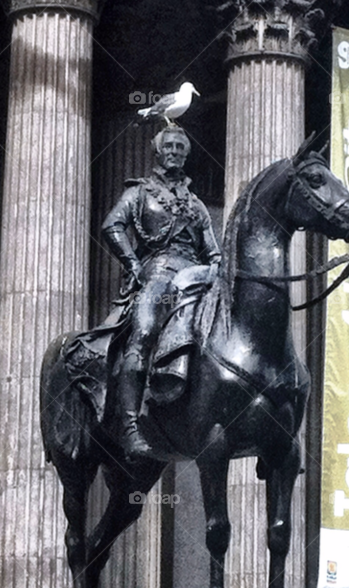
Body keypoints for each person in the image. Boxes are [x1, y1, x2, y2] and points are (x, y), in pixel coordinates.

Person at [101, 126, 220, 459]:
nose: (174, 152)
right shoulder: (140, 193)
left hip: (196, 276)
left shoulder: (196, 205)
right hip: (158, 271)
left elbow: (212, 250)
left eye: (180, 148)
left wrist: (217, 268)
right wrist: (132, 263)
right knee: (144, 331)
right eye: (169, 146)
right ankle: (130, 425)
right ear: (158, 151)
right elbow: (112, 225)